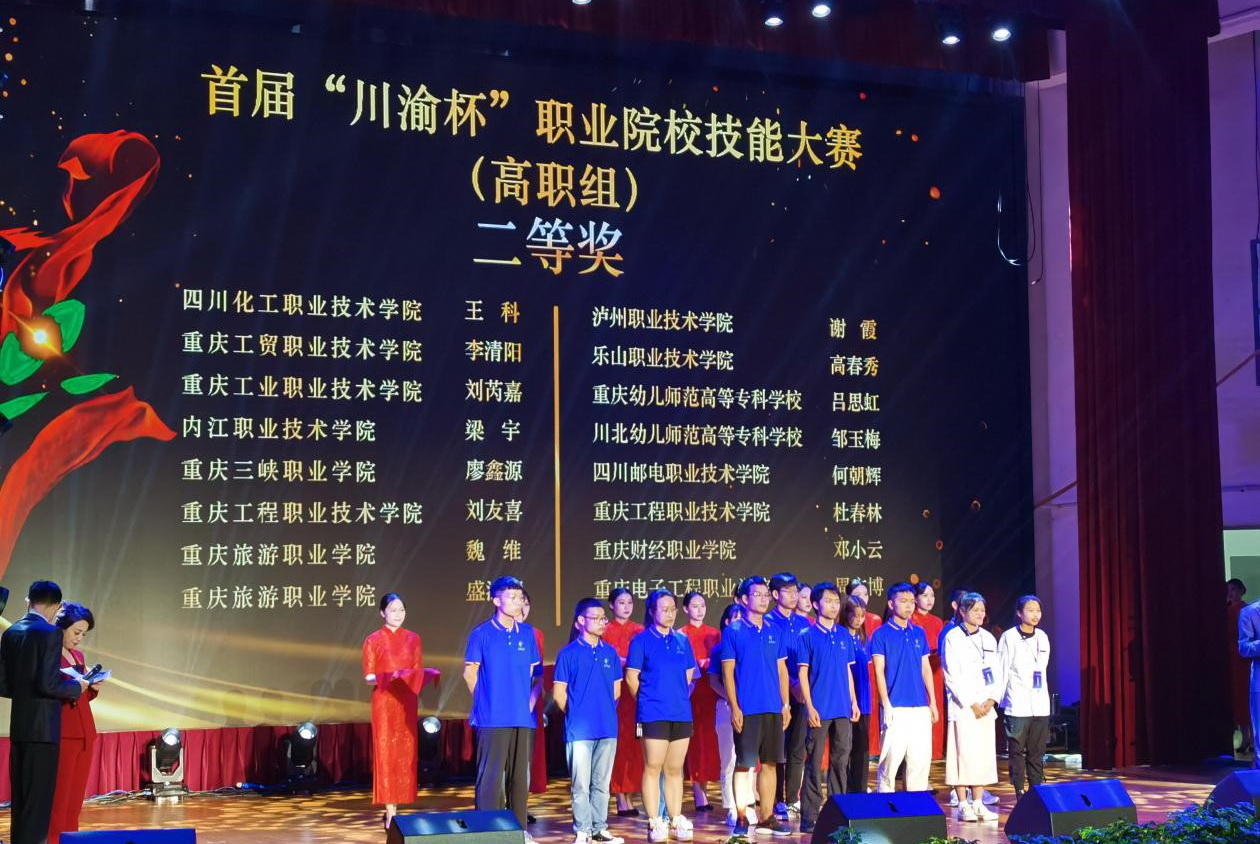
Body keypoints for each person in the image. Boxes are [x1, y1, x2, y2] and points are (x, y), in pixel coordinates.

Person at [0, 580, 90, 844]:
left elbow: (3, 684)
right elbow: (48, 684)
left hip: (20, 727)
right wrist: (77, 687)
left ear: (28, 601)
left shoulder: (11, 631)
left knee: (22, 800)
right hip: (44, 731)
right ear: (57, 606)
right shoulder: (50, 633)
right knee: (39, 804)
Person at [464, 575, 541, 838]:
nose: (518, 602)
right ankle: (488, 833)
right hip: (491, 718)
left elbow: (532, 674)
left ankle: (518, 833)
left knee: (519, 779)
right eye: (511, 597)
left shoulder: (527, 634)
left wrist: (525, 703)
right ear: (496, 601)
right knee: (490, 779)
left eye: (520, 597)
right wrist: (486, 701)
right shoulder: (481, 633)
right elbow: (470, 674)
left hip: (521, 717)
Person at [626, 590, 698, 843]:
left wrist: (675, 697)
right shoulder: (641, 641)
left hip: (681, 713)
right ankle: (655, 820)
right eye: (664, 609)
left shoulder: (682, 641)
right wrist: (648, 701)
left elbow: (688, 675)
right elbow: (632, 678)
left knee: (675, 769)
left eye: (672, 609)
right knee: (653, 767)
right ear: (652, 611)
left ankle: (675, 818)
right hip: (652, 714)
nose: (669, 614)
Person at [721, 576, 791, 838]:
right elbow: (727, 673)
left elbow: (782, 670)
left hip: (773, 707)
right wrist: (735, 707)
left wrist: (785, 704)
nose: (763, 599)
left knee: (771, 764)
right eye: (757, 594)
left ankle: (767, 817)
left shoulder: (775, 630)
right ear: (744, 599)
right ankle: (741, 816)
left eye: (765, 594)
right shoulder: (734, 631)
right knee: (744, 764)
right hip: (747, 709)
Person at [553, 598, 626, 844]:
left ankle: (599, 829)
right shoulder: (568, 653)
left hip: (607, 727)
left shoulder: (610, 653)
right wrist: (578, 714)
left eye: (603, 618)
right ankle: (583, 830)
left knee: (602, 784)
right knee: (581, 785)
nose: (602, 622)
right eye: (595, 618)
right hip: (579, 731)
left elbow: (616, 692)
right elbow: (559, 695)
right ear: (580, 622)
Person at [796, 583, 860, 834]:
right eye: (828, 601)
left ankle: (838, 814)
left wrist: (853, 701)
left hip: (843, 708)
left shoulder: (844, 634)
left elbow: (847, 671)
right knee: (814, 763)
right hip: (819, 708)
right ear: (815, 604)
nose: (834, 606)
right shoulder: (807, 635)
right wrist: (809, 706)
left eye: (836, 601)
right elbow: (803, 673)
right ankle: (809, 816)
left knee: (840, 761)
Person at [363, 592, 424, 830]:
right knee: (387, 753)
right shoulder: (373, 640)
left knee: (405, 753)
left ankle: (401, 804)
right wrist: (388, 677)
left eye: (401, 610)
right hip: (385, 701)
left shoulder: (414, 638)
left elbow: (417, 671)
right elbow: (368, 677)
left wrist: (417, 676)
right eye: (392, 610)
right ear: (382, 613)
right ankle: (390, 812)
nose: (398, 615)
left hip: (406, 700)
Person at [870, 582, 937, 793]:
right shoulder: (881, 634)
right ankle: (884, 803)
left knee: (920, 761)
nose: (909, 605)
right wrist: (886, 704)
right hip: (895, 706)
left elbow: (926, 668)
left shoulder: (919, 633)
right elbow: (879, 671)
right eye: (903, 601)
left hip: (920, 705)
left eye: (911, 601)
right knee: (891, 760)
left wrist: (933, 702)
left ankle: (915, 804)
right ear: (891, 604)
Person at [942, 593, 1000, 822]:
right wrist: (971, 703)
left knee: (982, 755)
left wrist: (992, 699)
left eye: (982, 610)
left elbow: (996, 672)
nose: (980, 614)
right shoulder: (953, 637)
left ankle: (978, 803)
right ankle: (963, 803)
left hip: (986, 707)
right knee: (962, 754)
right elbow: (951, 675)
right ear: (963, 612)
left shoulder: (989, 638)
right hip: (964, 707)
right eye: (975, 610)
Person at [48, 603, 100, 844]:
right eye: (76, 632)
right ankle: (54, 839)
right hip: (63, 732)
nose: (79, 639)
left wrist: (93, 688)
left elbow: (80, 696)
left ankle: (71, 839)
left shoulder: (78, 656)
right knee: (59, 797)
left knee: (75, 798)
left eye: (83, 634)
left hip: (84, 731)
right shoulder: (49, 654)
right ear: (61, 628)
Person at [766, 572, 811, 820]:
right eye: (789, 591)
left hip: (801, 694)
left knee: (797, 748)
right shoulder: (768, 622)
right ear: (775, 594)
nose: (794, 596)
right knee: (777, 749)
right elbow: (771, 662)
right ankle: (777, 800)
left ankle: (793, 798)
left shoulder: (804, 623)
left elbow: (808, 658)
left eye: (796, 591)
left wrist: (802, 686)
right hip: (776, 694)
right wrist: (790, 685)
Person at [998, 594, 1051, 799]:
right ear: (1019, 613)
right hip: (1017, 702)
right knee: (1017, 751)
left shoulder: (1042, 637)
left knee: (1037, 752)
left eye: (1038, 610)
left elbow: (1042, 669)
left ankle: (1036, 792)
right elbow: (1002, 669)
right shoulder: (1009, 637)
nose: (1035, 614)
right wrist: (998, 699)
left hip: (1040, 704)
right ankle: (1020, 791)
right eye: (1030, 610)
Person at [604, 587, 645, 816]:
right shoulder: (604, 630)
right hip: (615, 695)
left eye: (630, 602)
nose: (627, 607)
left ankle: (630, 794)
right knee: (618, 746)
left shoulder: (640, 631)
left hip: (636, 694)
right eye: (621, 602)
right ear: (611, 605)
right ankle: (619, 795)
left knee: (635, 746)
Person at [679, 591, 719, 812]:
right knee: (696, 742)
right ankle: (698, 793)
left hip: (712, 693)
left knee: (711, 741)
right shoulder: (680, 635)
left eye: (702, 605)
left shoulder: (715, 634)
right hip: (691, 694)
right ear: (686, 609)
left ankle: (708, 790)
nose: (700, 610)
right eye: (695, 606)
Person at [709, 603, 747, 828]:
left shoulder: (750, 645)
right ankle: (731, 806)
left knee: (748, 759)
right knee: (730, 758)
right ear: (727, 622)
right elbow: (714, 681)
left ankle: (746, 804)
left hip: (749, 708)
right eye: (736, 617)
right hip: (726, 708)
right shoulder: (720, 649)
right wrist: (733, 701)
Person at [845, 579, 883, 758]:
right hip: (848, 693)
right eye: (857, 595)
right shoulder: (842, 633)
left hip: (865, 689)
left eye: (865, 594)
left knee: (862, 742)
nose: (863, 598)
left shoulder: (867, 632)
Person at [517, 591, 549, 802]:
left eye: (526, 604)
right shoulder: (491, 633)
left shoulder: (535, 634)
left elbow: (539, 675)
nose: (522, 608)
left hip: (529, 704)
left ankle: (521, 806)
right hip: (503, 704)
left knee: (525, 758)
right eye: (518, 602)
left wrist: (530, 702)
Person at [841, 596, 873, 795]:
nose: (860, 620)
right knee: (845, 748)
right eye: (856, 615)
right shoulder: (841, 637)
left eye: (862, 616)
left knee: (862, 749)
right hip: (846, 700)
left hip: (864, 700)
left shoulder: (864, 639)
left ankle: (860, 791)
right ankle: (845, 791)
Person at [911, 583, 946, 761]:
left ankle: (934, 753)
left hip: (935, 670)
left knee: (935, 708)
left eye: (932, 595)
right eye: (925, 595)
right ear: (915, 598)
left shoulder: (937, 621)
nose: (930, 599)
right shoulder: (910, 619)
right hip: (916, 670)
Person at [1229, 579, 1252, 755]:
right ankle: (1245, 739)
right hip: (1232, 658)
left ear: (1241, 590)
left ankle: (1251, 740)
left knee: (1247, 698)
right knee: (1238, 700)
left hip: (1244, 659)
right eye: (1228, 590)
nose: (1231, 593)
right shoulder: (1227, 610)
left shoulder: (1246, 610)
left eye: (1234, 589)